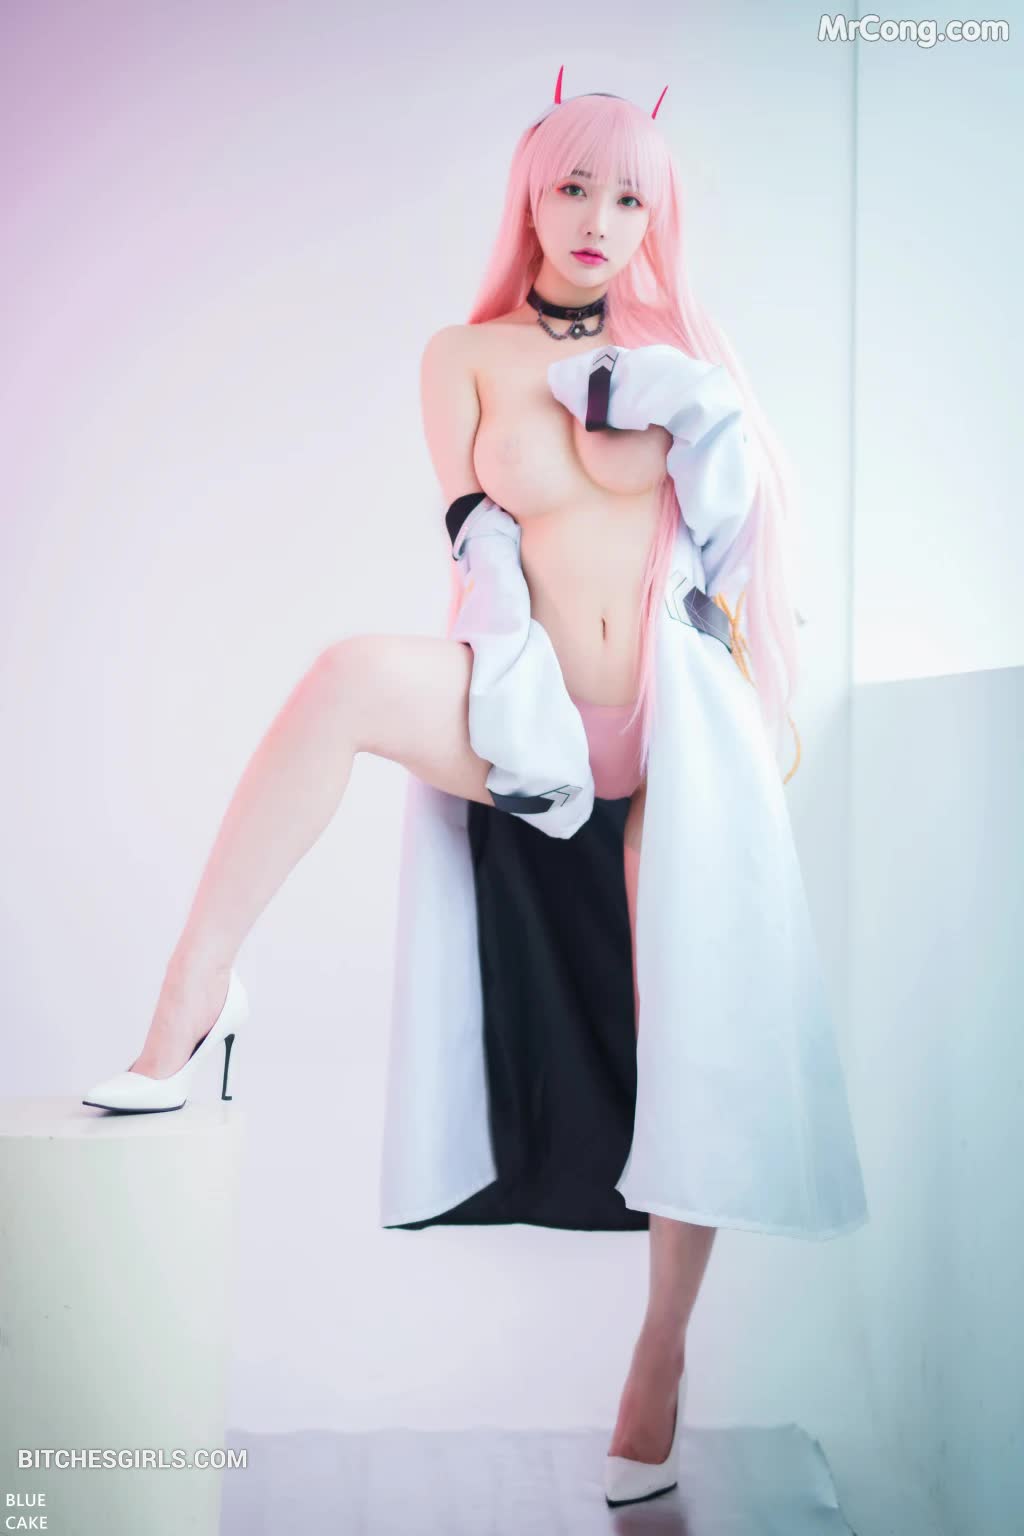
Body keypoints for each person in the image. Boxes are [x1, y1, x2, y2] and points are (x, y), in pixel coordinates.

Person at [83, 70, 868, 1508]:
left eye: (631, 196)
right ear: (530, 192)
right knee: (342, 680)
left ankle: (661, 1354)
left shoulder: (690, 352)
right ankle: (190, 1002)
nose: (600, 217)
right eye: (575, 185)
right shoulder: (462, 355)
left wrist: (680, 417)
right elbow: (482, 528)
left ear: (657, 218)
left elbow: (737, 534)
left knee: (688, 1031)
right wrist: (544, 628)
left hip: (677, 719)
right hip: (536, 701)